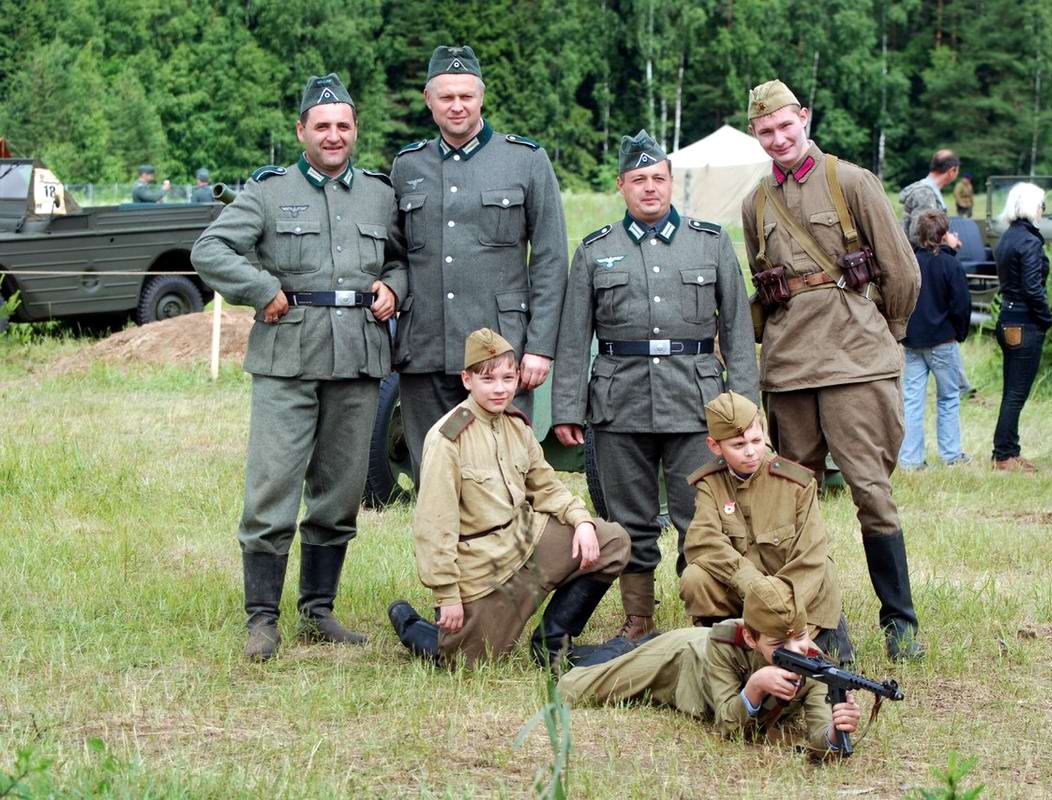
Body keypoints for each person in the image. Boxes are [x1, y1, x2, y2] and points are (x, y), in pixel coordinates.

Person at [191, 73, 405, 661]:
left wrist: (393, 286)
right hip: (288, 358)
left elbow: (402, 260)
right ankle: (262, 619)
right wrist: (261, 288)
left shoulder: (380, 195)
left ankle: (319, 610)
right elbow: (209, 250)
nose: (334, 136)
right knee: (272, 488)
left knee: (339, 492)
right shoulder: (267, 191)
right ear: (302, 131)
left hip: (358, 360)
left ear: (355, 130)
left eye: (343, 126)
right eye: (322, 126)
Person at [740, 79, 923, 661]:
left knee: (872, 491)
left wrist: (885, 338)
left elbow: (902, 271)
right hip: (790, 370)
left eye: (786, 125)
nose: (778, 138)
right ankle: (814, 623)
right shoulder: (755, 203)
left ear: (804, 117)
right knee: (794, 503)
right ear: (755, 135)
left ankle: (900, 623)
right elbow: (764, 286)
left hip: (855, 365)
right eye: (766, 131)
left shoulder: (851, 182)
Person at [551, 130, 757, 641]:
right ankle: (639, 619)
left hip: (697, 403)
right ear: (621, 185)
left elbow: (737, 328)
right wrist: (566, 409)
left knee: (701, 518)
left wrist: (746, 409)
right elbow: (574, 337)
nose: (649, 188)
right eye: (638, 179)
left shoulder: (709, 243)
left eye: (658, 179)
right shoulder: (597, 251)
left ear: (672, 183)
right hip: (619, 403)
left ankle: (706, 619)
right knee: (629, 519)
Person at [388, 329, 630, 668]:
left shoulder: (517, 425)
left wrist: (581, 520)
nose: (500, 388)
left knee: (612, 541)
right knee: (472, 662)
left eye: (508, 377)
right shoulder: (447, 440)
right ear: (467, 379)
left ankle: (551, 643)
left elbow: (545, 486)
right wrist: (447, 595)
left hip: (526, 539)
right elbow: (434, 525)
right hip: (483, 563)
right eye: (488, 379)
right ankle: (412, 624)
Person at [390, 45, 569, 489]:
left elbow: (549, 258)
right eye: (446, 96)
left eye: (466, 96)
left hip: (501, 353)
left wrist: (540, 346)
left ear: (482, 98)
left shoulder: (525, 160)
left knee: (504, 477)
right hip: (426, 347)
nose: (457, 105)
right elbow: (393, 254)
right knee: (433, 476)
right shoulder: (407, 165)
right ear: (428, 99)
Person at [558, 575, 862, 756]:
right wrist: (755, 688)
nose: (796, 650)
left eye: (801, 636)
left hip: (698, 686)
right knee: (574, 687)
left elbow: (820, 740)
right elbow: (728, 727)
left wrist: (836, 731)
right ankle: (618, 648)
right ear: (750, 637)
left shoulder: (816, 667)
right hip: (678, 657)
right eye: (780, 646)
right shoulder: (725, 643)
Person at [679, 391, 851, 663]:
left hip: (795, 595)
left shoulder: (796, 482)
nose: (750, 451)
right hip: (743, 594)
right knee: (695, 578)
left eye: (756, 441)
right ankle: (732, 638)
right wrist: (752, 585)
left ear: (764, 434)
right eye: (738, 444)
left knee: (822, 572)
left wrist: (775, 602)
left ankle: (773, 638)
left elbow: (811, 554)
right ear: (714, 446)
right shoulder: (711, 484)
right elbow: (704, 543)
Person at [898, 210, 972, 470]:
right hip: (943, 340)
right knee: (948, 397)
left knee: (912, 399)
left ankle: (910, 459)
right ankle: (951, 455)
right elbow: (961, 304)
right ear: (943, 235)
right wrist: (959, 332)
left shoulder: (911, 263)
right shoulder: (951, 265)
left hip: (913, 340)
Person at [991, 182, 1052, 473]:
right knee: (1016, 393)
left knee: (1011, 391)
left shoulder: (1008, 237)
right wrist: (1046, 318)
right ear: (1032, 206)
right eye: (1042, 205)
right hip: (1025, 320)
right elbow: (1033, 287)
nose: (1043, 211)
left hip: (1007, 316)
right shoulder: (1030, 241)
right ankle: (1004, 455)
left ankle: (1009, 451)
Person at [899, 149, 959, 247]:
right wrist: (947, 240)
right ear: (952, 171)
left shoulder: (928, 191)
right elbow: (920, 236)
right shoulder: (925, 194)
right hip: (920, 259)